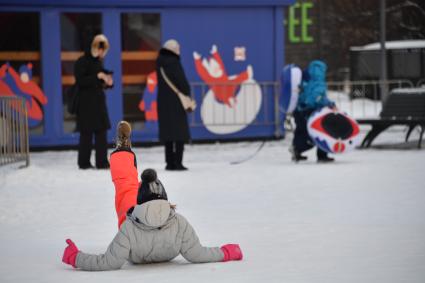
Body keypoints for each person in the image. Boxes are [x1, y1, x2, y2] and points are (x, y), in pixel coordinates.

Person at [62, 166, 243, 270]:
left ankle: (123, 155)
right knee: (127, 191)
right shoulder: (179, 222)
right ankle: (125, 158)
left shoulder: (128, 228)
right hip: (162, 243)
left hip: (136, 237)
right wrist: (226, 252)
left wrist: (75, 257)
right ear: (165, 198)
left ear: (139, 202)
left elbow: (109, 262)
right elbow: (197, 254)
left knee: (125, 192)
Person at [74, 34, 113, 169]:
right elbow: (81, 81)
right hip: (85, 104)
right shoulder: (81, 61)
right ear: (93, 48)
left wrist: (108, 82)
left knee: (101, 133)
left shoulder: (98, 62)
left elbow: (100, 82)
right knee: (86, 134)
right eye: (99, 49)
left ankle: (102, 162)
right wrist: (97, 76)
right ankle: (84, 163)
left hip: (98, 103)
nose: (102, 52)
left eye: (103, 50)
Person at [290, 60, 336, 163]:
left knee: (301, 131)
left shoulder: (304, 81)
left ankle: (297, 150)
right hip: (311, 110)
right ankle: (322, 155)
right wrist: (330, 104)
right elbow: (317, 98)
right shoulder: (319, 83)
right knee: (322, 131)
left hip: (299, 110)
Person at [156, 39, 191, 171]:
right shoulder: (174, 62)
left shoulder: (159, 62)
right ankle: (178, 162)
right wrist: (187, 91)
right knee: (179, 133)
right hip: (176, 102)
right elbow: (182, 82)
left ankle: (169, 162)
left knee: (168, 133)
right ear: (174, 49)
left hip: (163, 102)